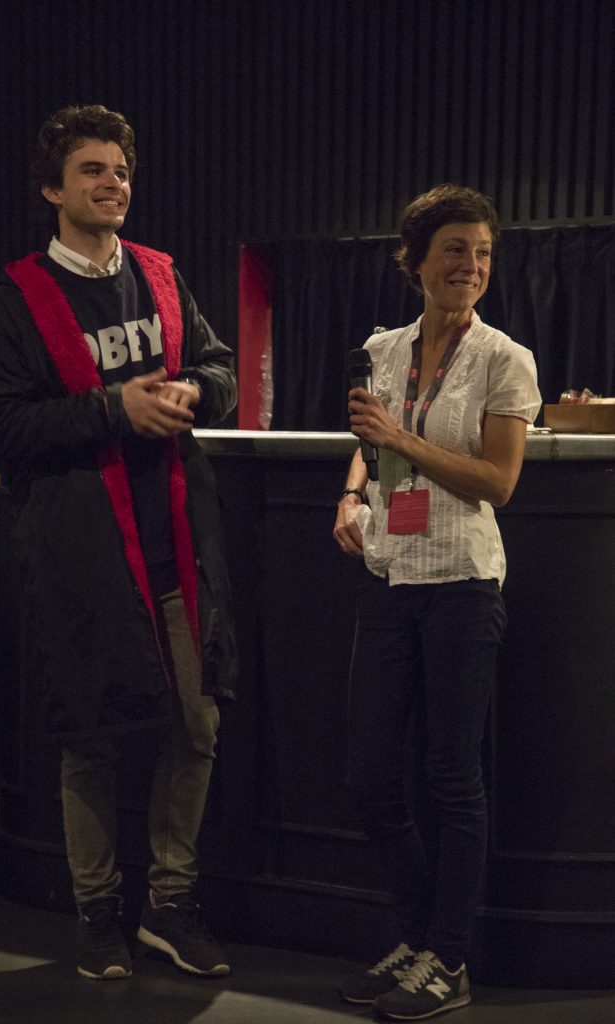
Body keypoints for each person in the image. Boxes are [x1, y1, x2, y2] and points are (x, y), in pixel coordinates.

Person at [0, 105, 238, 982]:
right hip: (83, 558)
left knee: (196, 725)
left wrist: (191, 392)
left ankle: (169, 904)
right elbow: (2, 426)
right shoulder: (19, 299)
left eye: (120, 170)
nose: (112, 183)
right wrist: (112, 408)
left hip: (175, 548)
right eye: (92, 170)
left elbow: (219, 369)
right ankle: (97, 915)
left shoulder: (160, 275)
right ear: (53, 190)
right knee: (91, 738)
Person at [333, 184, 541, 1020]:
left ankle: (448, 959)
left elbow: (497, 481)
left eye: (482, 253)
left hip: (462, 581)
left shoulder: (503, 358)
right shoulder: (379, 349)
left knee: (452, 778)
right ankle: (419, 936)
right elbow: (366, 438)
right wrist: (352, 491)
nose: (470, 265)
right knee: (369, 778)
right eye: (455, 249)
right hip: (390, 572)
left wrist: (400, 440)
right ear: (414, 259)